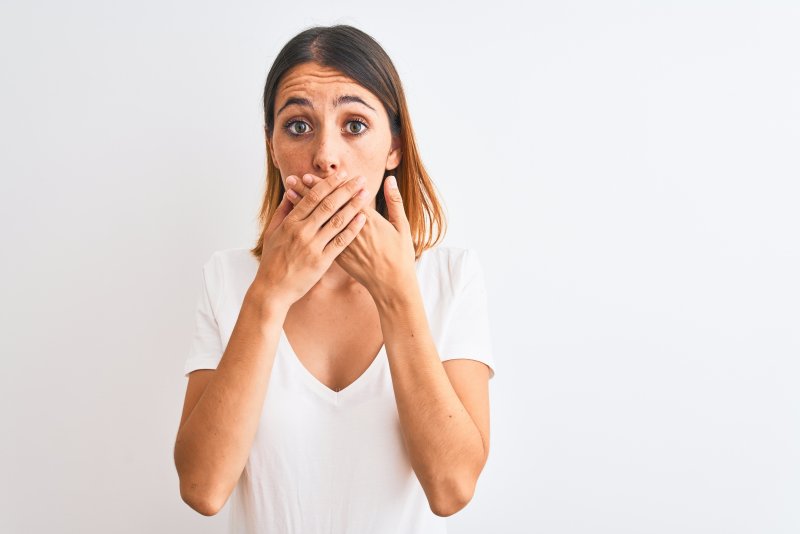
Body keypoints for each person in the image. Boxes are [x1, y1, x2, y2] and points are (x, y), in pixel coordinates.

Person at [174, 24, 497, 533]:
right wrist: (269, 295)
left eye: (354, 125)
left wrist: (396, 294)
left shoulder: (450, 277)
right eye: (299, 126)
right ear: (273, 147)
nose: (326, 154)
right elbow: (202, 489)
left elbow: (452, 488)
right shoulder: (229, 278)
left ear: (394, 146)